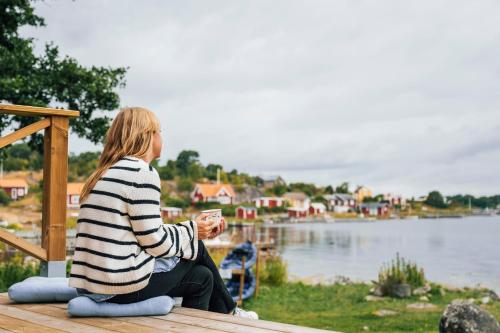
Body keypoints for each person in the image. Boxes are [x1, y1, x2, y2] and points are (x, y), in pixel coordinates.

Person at [68, 106, 258, 319]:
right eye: (158, 131)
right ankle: (231, 312)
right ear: (146, 136)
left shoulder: (102, 174)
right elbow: (155, 243)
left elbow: (143, 232)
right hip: (117, 287)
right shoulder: (141, 172)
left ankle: (217, 319)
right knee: (197, 246)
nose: (161, 137)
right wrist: (194, 231)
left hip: (92, 285)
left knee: (202, 277)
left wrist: (194, 229)